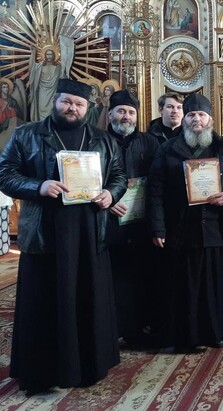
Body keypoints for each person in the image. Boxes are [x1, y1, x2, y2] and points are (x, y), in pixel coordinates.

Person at [0, 79, 127, 393]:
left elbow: (118, 175)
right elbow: (5, 173)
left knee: (87, 297)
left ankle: (88, 366)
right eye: (67, 102)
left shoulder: (102, 138)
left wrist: (111, 193)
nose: (72, 108)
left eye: (79, 104)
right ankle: (41, 371)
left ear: (87, 108)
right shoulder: (27, 134)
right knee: (44, 301)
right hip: (45, 232)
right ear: (55, 101)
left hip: (88, 232)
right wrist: (38, 186)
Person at [148, 93, 223, 352]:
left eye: (202, 115)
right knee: (186, 286)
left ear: (210, 119)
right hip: (182, 229)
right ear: (185, 119)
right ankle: (188, 335)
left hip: (219, 227)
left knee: (217, 284)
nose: (196, 119)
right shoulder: (167, 150)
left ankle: (217, 333)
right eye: (192, 115)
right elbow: (155, 191)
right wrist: (158, 227)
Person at [104, 90, 161, 347]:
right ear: (110, 114)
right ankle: (112, 329)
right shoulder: (98, 141)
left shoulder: (150, 143)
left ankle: (139, 329)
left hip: (141, 222)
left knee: (142, 276)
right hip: (108, 222)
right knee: (112, 278)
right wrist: (106, 199)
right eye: (121, 111)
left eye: (131, 112)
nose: (126, 117)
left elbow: (159, 180)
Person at [28, 39, 73, 122]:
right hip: (42, 93)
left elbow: (64, 76)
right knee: (41, 109)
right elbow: (31, 70)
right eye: (47, 54)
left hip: (54, 93)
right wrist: (33, 53)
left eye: (51, 54)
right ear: (44, 55)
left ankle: (51, 127)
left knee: (52, 111)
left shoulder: (58, 67)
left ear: (54, 55)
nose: (49, 56)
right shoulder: (40, 66)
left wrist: (68, 51)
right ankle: (42, 126)